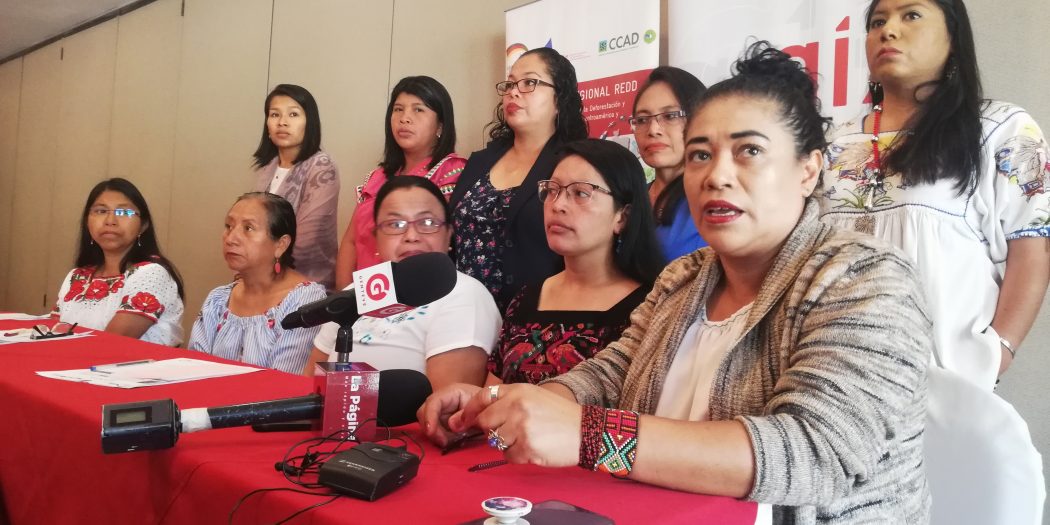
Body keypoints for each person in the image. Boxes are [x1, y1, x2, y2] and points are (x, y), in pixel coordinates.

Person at [420, 43, 933, 523]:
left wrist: (588, 435)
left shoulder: (863, 277)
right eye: (700, 155)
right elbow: (610, 375)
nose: (716, 176)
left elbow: (814, 453)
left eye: (749, 151)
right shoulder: (683, 278)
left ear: (808, 169)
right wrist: (506, 404)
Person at [819, 0, 1050, 390]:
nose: (888, 30)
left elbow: (1032, 246)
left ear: (953, 37)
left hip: (945, 383)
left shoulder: (1000, 129)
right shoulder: (831, 144)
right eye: (877, 22)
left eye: (911, 15)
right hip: (833, 381)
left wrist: (999, 351)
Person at [491, 139, 663, 385]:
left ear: (622, 217)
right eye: (552, 190)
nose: (558, 205)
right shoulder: (525, 299)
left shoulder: (648, 308)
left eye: (581, 193)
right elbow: (493, 391)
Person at [305, 176, 501, 392]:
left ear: (448, 235)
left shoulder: (465, 294)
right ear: (376, 239)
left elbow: (447, 405)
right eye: (395, 224)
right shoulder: (355, 292)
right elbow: (308, 383)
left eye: (428, 223)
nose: (411, 236)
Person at [449, 47, 589, 311]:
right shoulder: (480, 160)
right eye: (510, 84)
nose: (514, 91)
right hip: (465, 313)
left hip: (532, 315)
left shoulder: (573, 165)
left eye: (529, 83)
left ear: (559, 98)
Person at [335, 76, 465, 288]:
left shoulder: (453, 172)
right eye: (398, 109)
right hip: (365, 295)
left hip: (420, 296)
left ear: (440, 125)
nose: (404, 118)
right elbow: (351, 241)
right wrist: (343, 298)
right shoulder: (378, 176)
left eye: (418, 109)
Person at [188, 193, 326, 374]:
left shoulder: (304, 300)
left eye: (248, 228)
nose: (230, 239)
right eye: (229, 226)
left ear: (281, 245)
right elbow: (193, 370)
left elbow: (284, 381)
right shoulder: (218, 299)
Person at [51, 178, 185, 346]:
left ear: (143, 225)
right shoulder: (77, 276)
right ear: (87, 222)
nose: (110, 220)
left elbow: (111, 343)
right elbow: (52, 333)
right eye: (100, 211)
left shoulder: (151, 273)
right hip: (70, 361)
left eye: (124, 212)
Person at [252, 84, 340, 290]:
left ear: (310, 123)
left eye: (293, 114)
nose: (282, 122)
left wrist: (255, 262)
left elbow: (307, 238)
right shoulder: (267, 167)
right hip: (260, 279)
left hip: (307, 286)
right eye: (275, 114)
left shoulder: (321, 165)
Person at [631, 66, 708, 262]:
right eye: (642, 119)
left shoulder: (713, 196)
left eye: (670, 116)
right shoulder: (630, 199)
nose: (653, 129)